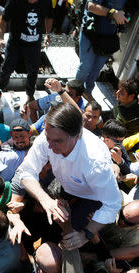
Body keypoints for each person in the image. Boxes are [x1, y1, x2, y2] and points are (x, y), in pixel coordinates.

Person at [18, 103, 122, 250]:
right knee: (39, 220)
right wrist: (45, 201)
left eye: (57, 141)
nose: (49, 146)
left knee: (66, 240)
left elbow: (112, 205)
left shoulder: (95, 162)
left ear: (77, 135)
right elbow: (26, 171)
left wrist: (86, 234)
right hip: (65, 186)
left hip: (91, 198)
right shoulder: (51, 135)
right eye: (48, 138)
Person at [0, 0, 52, 102]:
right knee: (7, 68)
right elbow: (3, 19)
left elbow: (49, 17)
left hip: (34, 44)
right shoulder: (14, 2)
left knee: (33, 71)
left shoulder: (46, 2)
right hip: (15, 43)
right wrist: (1, 38)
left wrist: (48, 34)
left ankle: (30, 95)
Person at [75, 0, 129, 101]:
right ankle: (74, 91)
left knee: (96, 69)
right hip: (90, 34)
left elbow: (124, 7)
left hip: (108, 38)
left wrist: (122, 13)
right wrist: (113, 13)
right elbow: (91, 6)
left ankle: (87, 92)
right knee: (86, 66)